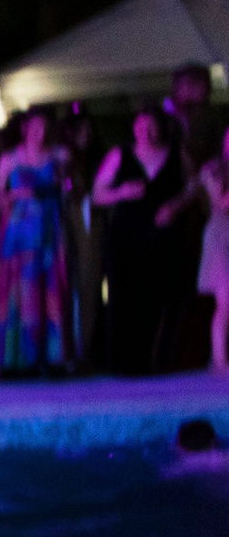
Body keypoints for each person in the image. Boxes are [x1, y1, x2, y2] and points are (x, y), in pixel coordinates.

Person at [93, 109, 196, 375]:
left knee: (163, 298)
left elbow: (194, 186)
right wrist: (121, 193)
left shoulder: (177, 153)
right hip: (126, 236)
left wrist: (176, 205)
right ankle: (124, 363)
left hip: (164, 236)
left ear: (161, 128)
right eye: (140, 127)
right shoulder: (120, 155)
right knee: (125, 298)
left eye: (151, 127)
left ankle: (160, 360)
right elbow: (98, 194)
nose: (146, 133)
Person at [0, 109, 72, 378]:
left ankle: (51, 357)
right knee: (17, 292)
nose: (40, 133)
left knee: (49, 289)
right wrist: (10, 197)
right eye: (35, 128)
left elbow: (69, 189)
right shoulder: (9, 159)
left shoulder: (59, 155)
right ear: (25, 129)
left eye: (45, 128)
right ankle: (14, 359)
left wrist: (51, 188)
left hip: (49, 231)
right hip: (18, 234)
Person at [197, 126, 229, 374]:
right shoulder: (213, 169)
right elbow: (220, 201)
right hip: (221, 236)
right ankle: (219, 361)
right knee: (225, 300)